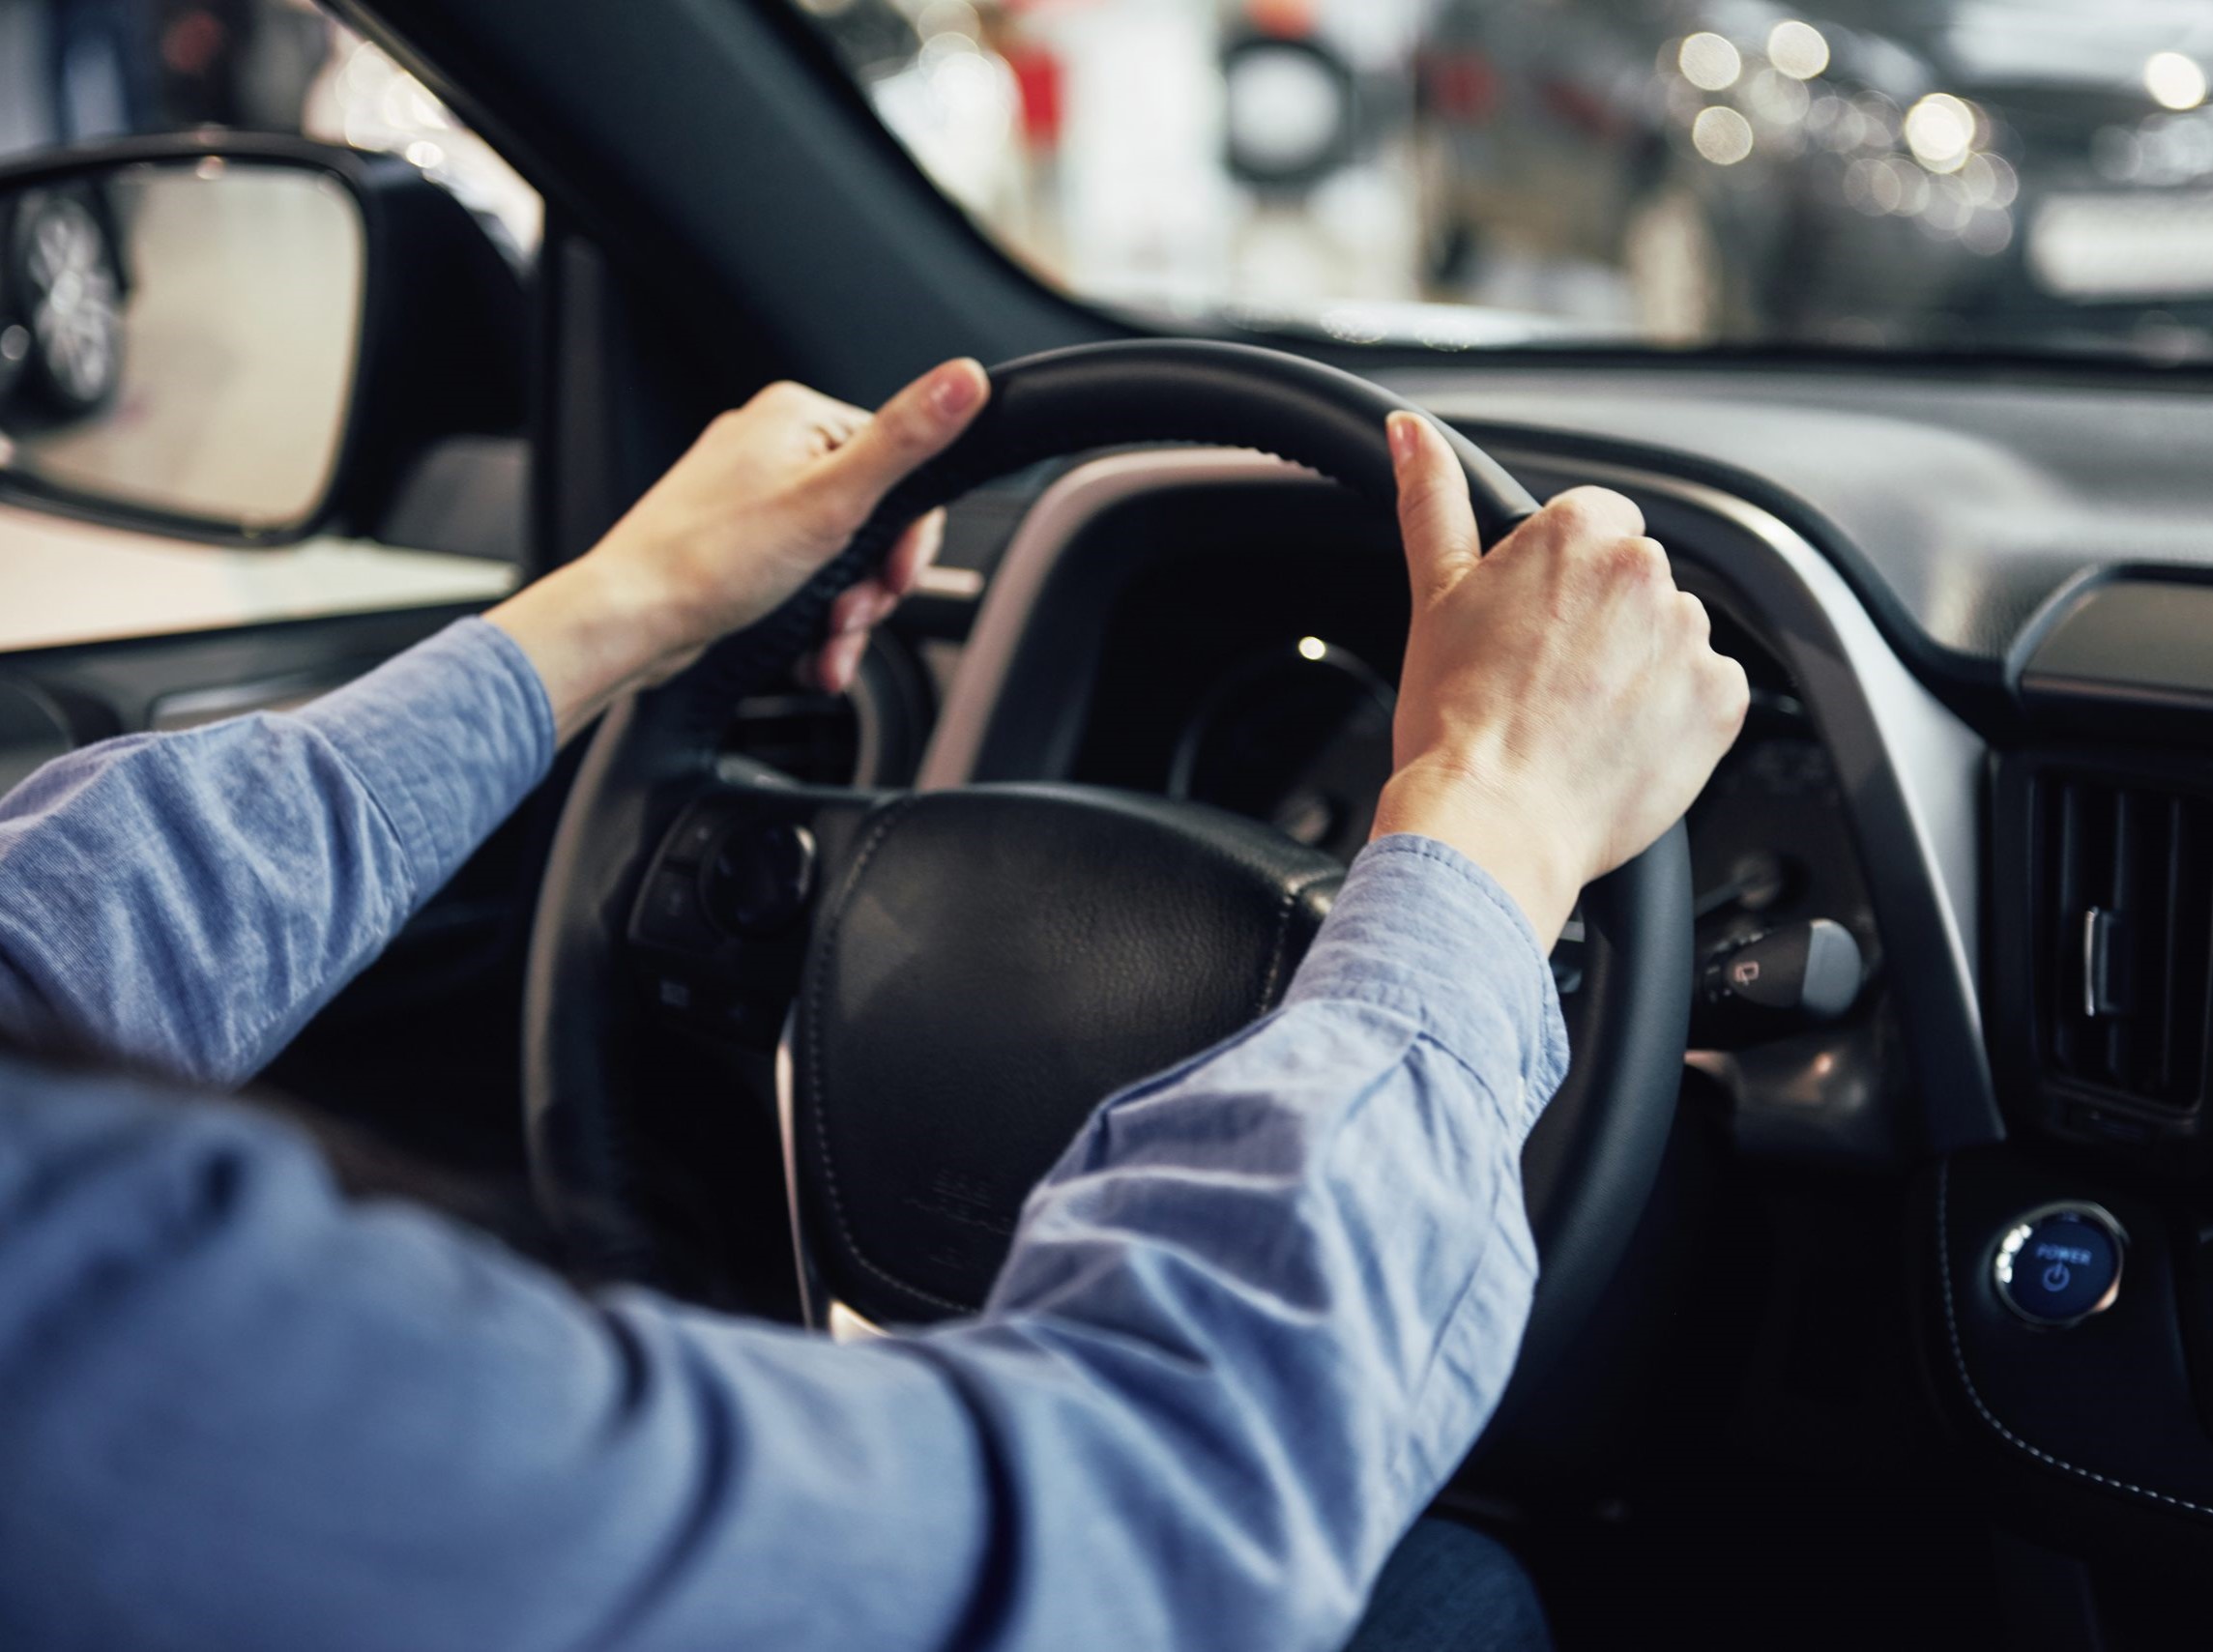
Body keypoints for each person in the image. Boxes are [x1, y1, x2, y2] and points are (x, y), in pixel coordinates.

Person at [0, 358, 1746, 1651]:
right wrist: (1491, 826)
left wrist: (624, 608)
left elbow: (49, 945)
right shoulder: (100, 1349)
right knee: (1448, 1601)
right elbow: (1134, 1523)